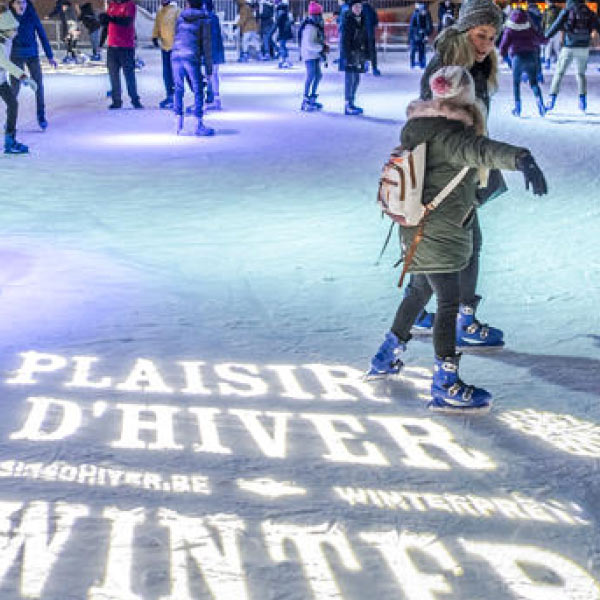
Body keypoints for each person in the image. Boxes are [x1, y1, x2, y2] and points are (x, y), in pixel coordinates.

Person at [367, 66, 547, 413]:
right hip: (439, 231)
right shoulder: (451, 136)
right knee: (447, 304)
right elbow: (485, 151)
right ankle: (445, 382)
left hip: (417, 228)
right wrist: (523, 159)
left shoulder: (419, 128)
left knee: (420, 291)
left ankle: (386, 354)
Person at [413, 0, 507, 349]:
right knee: (467, 244)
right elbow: (432, 126)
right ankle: (463, 320)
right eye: (480, 35)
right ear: (465, 30)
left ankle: (420, 310)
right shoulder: (446, 69)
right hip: (449, 172)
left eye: (492, 37)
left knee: (441, 244)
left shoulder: (478, 68)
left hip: (466, 167)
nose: (486, 44)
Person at [8, 0, 56, 131]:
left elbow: (42, 34)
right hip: (15, 56)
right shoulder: (7, 17)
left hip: (32, 55)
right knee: (14, 88)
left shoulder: (32, 15)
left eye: (23, 2)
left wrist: (50, 55)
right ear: (12, 4)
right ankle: (10, 120)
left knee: (39, 85)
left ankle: (41, 116)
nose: (21, 5)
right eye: (18, 3)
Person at [544, 0, 600, 112]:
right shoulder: (588, 11)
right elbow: (597, 25)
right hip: (584, 47)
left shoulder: (566, 11)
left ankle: (551, 98)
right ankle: (582, 100)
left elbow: (556, 25)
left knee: (559, 73)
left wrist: (546, 35)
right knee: (580, 74)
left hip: (569, 46)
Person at [172, 0, 213, 136]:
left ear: (188, 4)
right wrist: (208, 69)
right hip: (191, 55)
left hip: (176, 54)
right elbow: (207, 45)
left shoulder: (180, 18)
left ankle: (178, 124)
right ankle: (198, 124)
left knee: (178, 89)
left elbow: (176, 36)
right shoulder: (204, 20)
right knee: (198, 89)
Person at [0, 6, 36, 154]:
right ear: (4, 29)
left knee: (13, 105)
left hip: (1, 81)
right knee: (13, 104)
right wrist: (24, 78)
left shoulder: (6, 41)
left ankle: (10, 140)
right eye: (13, 29)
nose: (15, 32)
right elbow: (5, 63)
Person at [499, 7, 546, 117]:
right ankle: (540, 103)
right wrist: (545, 40)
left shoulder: (509, 29)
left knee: (516, 84)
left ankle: (518, 108)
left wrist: (503, 54)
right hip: (531, 56)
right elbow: (539, 39)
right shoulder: (529, 27)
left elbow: (503, 45)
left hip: (517, 58)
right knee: (534, 83)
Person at [99, 0, 142, 109]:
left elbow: (127, 21)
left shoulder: (130, 5)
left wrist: (111, 19)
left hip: (126, 46)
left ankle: (135, 99)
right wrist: (101, 40)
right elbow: (107, 26)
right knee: (113, 75)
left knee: (129, 74)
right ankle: (116, 100)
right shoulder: (112, 5)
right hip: (112, 46)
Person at [339, 0, 368, 114]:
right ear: (351, 8)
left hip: (358, 53)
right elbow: (344, 40)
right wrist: (347, 56)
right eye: (356, 7)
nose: (358, 9)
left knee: (356, 79)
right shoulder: (347, 20)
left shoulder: (362, 19)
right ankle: (347, 104)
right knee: (350, 79)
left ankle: (352, 102)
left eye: (360, 7)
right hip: (350, 54)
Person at [299, 0, 327, 111]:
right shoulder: (310, 27)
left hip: (314, 54)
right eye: (319, 15)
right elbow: (309, 44)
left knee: (318, 75)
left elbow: (317, 40)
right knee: (311, 75)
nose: (321, 17)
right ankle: (305, 99)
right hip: (309, 55)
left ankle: (312, 97)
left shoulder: (315, 26)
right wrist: (321, 48)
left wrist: (322, 48)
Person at [152, 0, 180, 109]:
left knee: (175, 72)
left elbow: (179, 27)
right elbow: (157, 25)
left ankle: (176, 96)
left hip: (175, 47)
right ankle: (169, 95)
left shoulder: (176, 11)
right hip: (165, 47)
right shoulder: (160, 11)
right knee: (166, 73)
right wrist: (155, 36)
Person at [204, 0, 224, 110]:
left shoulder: (208, 18)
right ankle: (214, 97)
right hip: (215, 50)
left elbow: (211, 37)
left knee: (210, 75)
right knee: (212, 75)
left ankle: (213, 98)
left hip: (210, 51)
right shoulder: (213, 17)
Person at [409, 2, 433, 69]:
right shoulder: (415, 15)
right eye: (423, 11)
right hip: (414, 36)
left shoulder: (427, 16)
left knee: (422, 49)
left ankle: (422, 63)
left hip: (422, 35)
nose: (424, 12)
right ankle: (412, 63)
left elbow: (429, 26)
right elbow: (411, 27)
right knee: (413, 49)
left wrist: (426, 34)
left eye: (425, 11)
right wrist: (417, 32)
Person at [541, 0, 562, 68]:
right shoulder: (559, 10)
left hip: (549, 31)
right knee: (557, 48)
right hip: (557, 31)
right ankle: (560, 62)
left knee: (548, 47)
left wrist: (542, 31)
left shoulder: (546, 11)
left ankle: (548, 62)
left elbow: (543, 22)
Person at [361, 0, 380, 76]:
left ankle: (364, 66)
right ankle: (374, 68)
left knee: (362, 50)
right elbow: (376, 22)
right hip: (370, 34)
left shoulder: (359, 9)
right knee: (372, 51)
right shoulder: (372, 9)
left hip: (361, 34)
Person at [275, 0, 293, 67]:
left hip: (282, 33)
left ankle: (284, 60)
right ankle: (285, 60)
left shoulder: (281, 16)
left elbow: (278, 24)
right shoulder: (288, 15)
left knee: (282, 46)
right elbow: (291, 22)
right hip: (286, 33)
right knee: (283, 46)